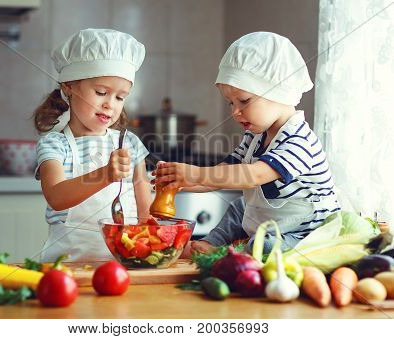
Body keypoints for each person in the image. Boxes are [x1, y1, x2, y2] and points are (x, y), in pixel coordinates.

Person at [154, 32, 340, 255]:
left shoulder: (300, 141)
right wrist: (181, 183)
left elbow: (253, 175)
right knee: (238, 208)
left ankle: (226, 253)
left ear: (279, 89)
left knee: (264, 246)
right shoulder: (255, 136)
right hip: (271, 222)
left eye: (244, 101)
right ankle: (212, 242)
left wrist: (194, 173)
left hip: (305, 234)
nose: (235, 111)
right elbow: (222, 174)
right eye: (230, 103)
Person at [33, 29, 151, 262]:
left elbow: (144, 205)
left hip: (124, 267)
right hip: (67, 268)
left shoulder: (129, 143)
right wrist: (105, 174)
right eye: (101, 92)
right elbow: (56, 197)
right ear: (69, 87)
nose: (110, 104)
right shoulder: (55, 145)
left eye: (120, 97)